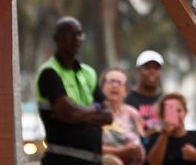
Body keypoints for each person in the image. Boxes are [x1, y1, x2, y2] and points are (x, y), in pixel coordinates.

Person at [35, 17, 113, 164]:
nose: (77, 39)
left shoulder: (88, 73)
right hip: (62, 160)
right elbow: (68, 114)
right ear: (57, 38)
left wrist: (79, 114)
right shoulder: (50, 72)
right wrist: (96, 108)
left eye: (80, 34)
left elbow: (108, 116)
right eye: (70, 35)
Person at [146, 93, 196, 165]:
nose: (175, 115)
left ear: (185, 112)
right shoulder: (156, 138)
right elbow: (153, 163)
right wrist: (164, 134)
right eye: (169, 111)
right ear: (162, 116)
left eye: (178, 110)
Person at [99, 68, 145, 165]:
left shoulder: (133, 113)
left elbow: (140, 144)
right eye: (111, 81)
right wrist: (121, 151)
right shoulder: (94, 112)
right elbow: (89, 147)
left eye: (120, 82)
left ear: (126, 91)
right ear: (101, 88)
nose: (115, 85)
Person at [125, 49, 164, 135]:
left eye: (156, 68)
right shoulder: (126, 99)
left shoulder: (165, 100)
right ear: (137, 72)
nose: (152, 72)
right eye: (147, 68)